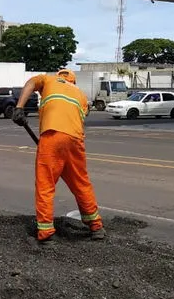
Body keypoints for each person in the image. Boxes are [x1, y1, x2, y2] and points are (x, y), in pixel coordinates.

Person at [12, 69, 105, 243]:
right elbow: (80, 116)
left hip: (52, 135)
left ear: (59, 76)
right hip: (75, 139)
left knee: (45, 184)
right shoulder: (80, 94)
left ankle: (46, 232)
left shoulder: (48, 80)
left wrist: (19, 108)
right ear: (73, 81)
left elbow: (30, 84)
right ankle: (96, 227)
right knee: (81, 183)